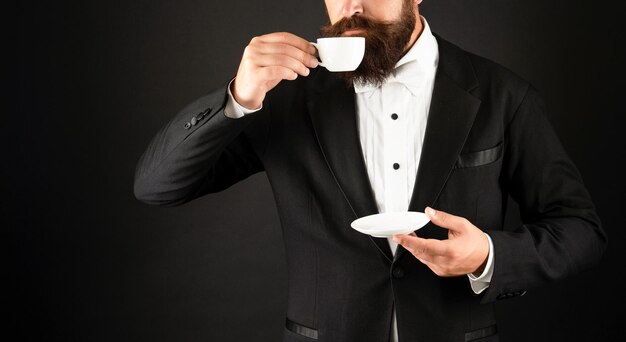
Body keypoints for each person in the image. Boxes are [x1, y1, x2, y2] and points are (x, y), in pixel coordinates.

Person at [134, 0, 607, 341]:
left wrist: (488, 255)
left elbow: (581, 230)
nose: (352, 7)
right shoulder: (284, 99)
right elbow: (157, 187)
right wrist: (238, 96)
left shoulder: (504, 95)